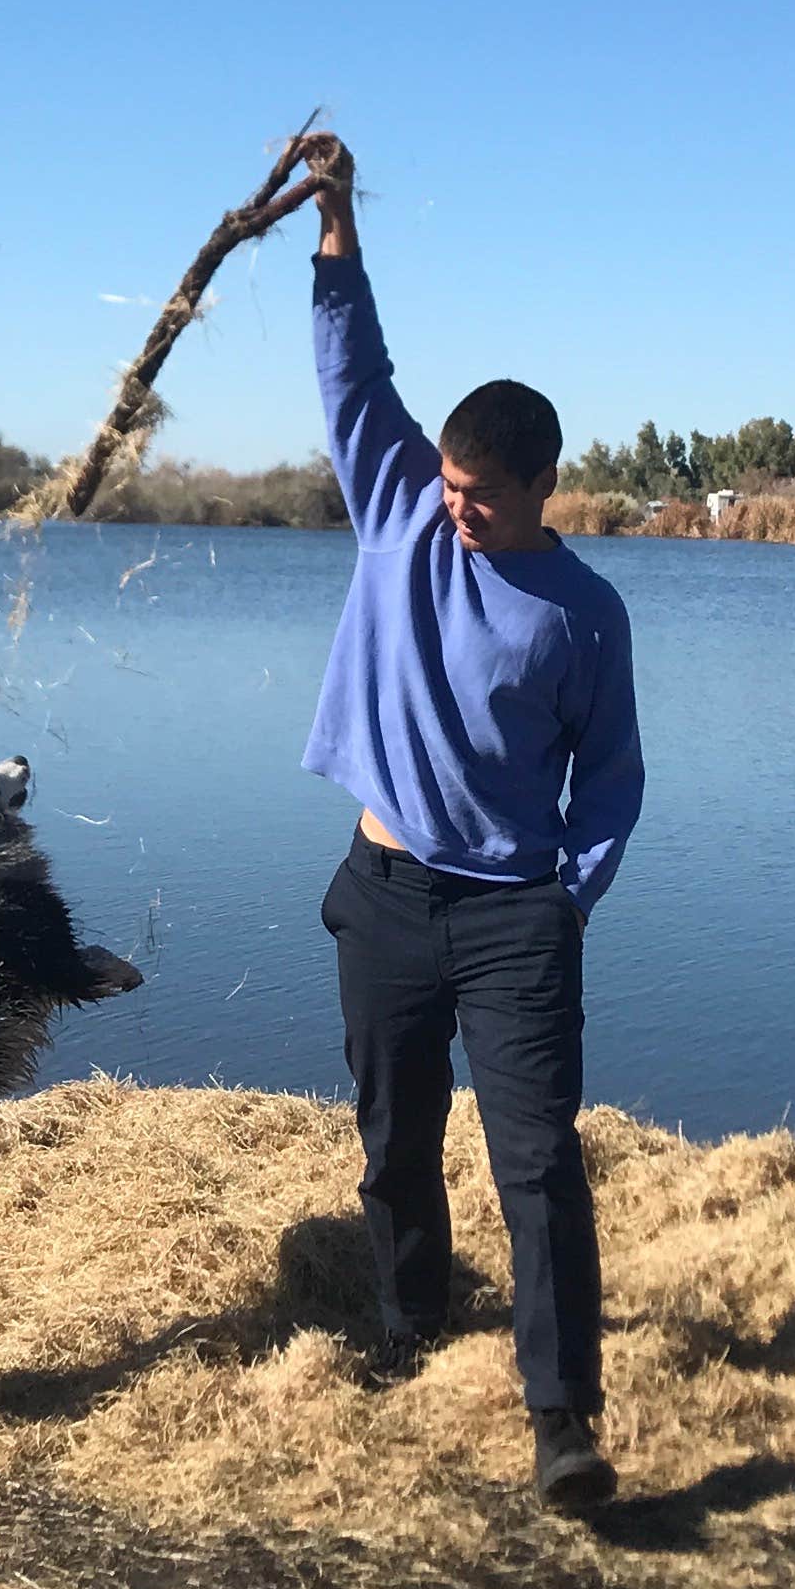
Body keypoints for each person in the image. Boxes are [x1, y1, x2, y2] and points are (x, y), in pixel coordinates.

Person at [297, 135, 645, 1513]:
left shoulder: (585, 614)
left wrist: (566, 899)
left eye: (482, 495)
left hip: (512, 919)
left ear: (544, 487)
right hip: (385, 893)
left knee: (540, 1164)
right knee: (393, 1139)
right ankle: (410, 1324)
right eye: (448, 482)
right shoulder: (398, 510)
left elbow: (609, 780)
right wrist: (336, 223)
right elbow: (353, 374)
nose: (457, 507)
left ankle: (562, 1418)